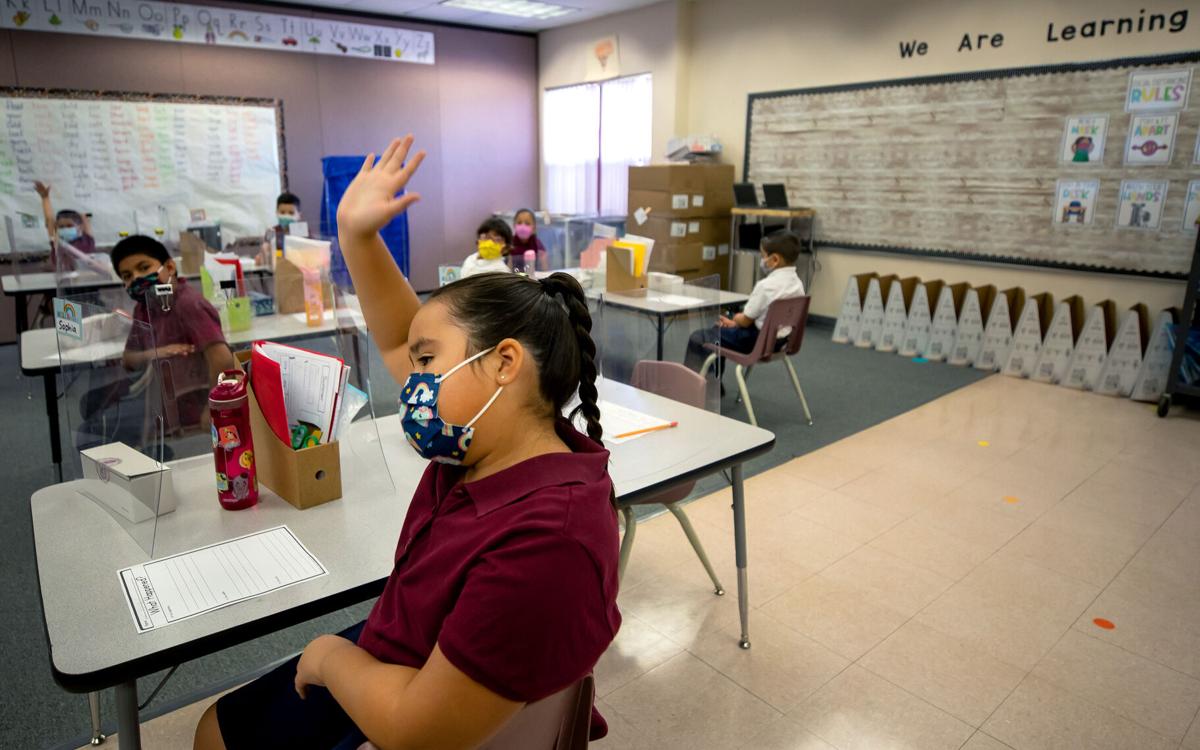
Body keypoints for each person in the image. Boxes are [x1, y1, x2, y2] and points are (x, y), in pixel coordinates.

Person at [194, 135, 621, 750]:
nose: (412, 382)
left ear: (505, 364)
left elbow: (416, 732)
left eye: (428, 363)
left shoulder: (544, 542)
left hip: (405, 697)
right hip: (409, 645)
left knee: (217, 734)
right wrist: (357, 237)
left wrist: (328, 659)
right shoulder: (493, 441)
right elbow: (398, 337)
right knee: (220, 724)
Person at [113, 235, 236, 432]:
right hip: (167, 404)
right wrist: (159, 352)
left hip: (196, 409)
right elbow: (128, 359)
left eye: (144, 268)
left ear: (170, 267)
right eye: (127, 276)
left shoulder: (188, 304)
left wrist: (213, 408)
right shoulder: (143, 307)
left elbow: (222, 359)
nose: (136, 278)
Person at [684, 229, 806, 376]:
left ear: (774, 260)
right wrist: (736, 325)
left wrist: (735, 319)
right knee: (719, 333)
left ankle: (700, 385)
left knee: (700, 337)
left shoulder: (766, 286)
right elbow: (763, 319)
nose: (762, 260)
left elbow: (745, 320)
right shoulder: (797, 284)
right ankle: (713, 384)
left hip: (757, 343)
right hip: (780, 342)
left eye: (763, 256)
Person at [34, 180, 96, 255]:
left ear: (80, 227)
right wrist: (45, 198)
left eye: (69, 226)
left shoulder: (87, 241)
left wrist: (82, 216)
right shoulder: (57, 242)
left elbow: (84, 220)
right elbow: (50, 219)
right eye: (61, 227)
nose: (65, 229)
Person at [510, 208, 547, 273]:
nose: (523, 226)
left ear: (534, 227)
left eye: (527, 223)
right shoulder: (511, 244)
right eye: (519, 222)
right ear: (514, 225)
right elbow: (509, 267)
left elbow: (544, 269)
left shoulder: (537, 245)